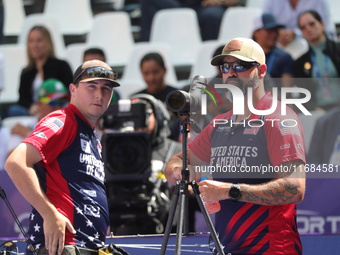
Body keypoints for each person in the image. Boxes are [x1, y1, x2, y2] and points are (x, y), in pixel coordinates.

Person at [164, 37, 306, 254]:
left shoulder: (279, 117)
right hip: (227, 248)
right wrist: (179, 172)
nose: (230, 72)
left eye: (240, 66)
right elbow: (177, 160)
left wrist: (230, 191)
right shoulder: (219, 124)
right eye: (225, 66)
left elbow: (295, 189)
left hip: (271, 248)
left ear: (261, 71)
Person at [4, 60, 120, 255]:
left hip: (84, 246)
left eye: (106, 88)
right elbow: (16, 163)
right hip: (62, 246)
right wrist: (49, 214)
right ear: (73, 89)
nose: (100, 94)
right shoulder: (63, 120)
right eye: (91, 86)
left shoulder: (91, 135)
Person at [103, 93, 182, 235]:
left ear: (158, 116)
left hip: (167, 230)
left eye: (143, 114)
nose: (137, 121)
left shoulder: (176, 150)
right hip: (120, 228)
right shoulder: (114, 149)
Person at [7, 26, 73, 117]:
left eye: (39, 41)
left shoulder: (61, 65)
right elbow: (22, 98)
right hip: (33, 110)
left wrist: (49, 105)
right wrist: (31, 106)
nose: (35, 45)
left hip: (54, 107)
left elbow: (69, 91)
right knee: (14, 110)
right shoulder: (26, 72)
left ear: (48, 43)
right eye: (31, 41)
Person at [7, 79, 70, 156]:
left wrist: (28, 136)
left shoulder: (70, 128)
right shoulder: (23, 125)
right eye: (53, 102)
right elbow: (13, 157)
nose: (58, 107)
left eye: (62, 102)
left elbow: (58, 155)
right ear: (39, 103)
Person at [293, 10, 340, 112]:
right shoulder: (300, 63)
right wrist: (314, 109)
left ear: (322, 24)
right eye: (303, 27)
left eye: (312, 24)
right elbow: (303, 93)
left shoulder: (337, 49)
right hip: (318, 112)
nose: (308, 29)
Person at [139, 0, 245, 42]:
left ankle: (212, 57)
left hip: (206, 6)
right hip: (179, 4)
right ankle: (148, 51)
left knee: (211, 16)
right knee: (148, 1)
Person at [132, 52, 180, 141]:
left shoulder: (177, 95)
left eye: (155, 72)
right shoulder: (136, 98)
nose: (151, 78)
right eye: (146, 73)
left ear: (164, 70)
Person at [262, 0, 336, 47]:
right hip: (279, 47)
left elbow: (327, 30)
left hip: (315, 47)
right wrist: (279, 34)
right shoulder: (270, 2)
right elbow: (266, 26)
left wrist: (295, 34)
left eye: (311, 24)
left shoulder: (320, 2)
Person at [252, 13, 294, 91]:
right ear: (256, 32)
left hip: (273, 101)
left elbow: (287, 93)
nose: (274, 34)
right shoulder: (245, 56)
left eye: (276, 31)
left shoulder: (285, 57)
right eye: (269, 31)